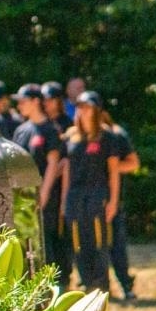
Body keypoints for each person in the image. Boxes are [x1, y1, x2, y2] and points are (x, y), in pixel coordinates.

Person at [48, 90, 127, 292]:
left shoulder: (108, 137)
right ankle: (87, 282)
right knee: (77, 242)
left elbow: (114, 171)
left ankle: (101, 284)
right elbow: (67, 171)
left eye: (88, 107)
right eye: (80, 107)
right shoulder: (70, 137)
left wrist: (113, 202)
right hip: (75, 197)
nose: (84, 111)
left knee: (98, 241)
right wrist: (64, 202)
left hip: (98, 194)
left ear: (96, 110)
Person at [11, 83, 69, 289]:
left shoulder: (50, 129)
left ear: (36, 101)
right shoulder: (21, 131)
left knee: (46, 243)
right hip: (23, 198)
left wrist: (43, 195)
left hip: (45, 198)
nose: (19, 106)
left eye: (23, 101)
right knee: (26, 244)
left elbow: (53, 164)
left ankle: (54, 288)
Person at [101, 109, 141, 300]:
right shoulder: (78, 135)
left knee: (116, 244)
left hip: (112, 198)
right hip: (88, 200)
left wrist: (110, 169)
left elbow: (133, 164)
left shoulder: (116, 134)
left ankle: (125, 284)